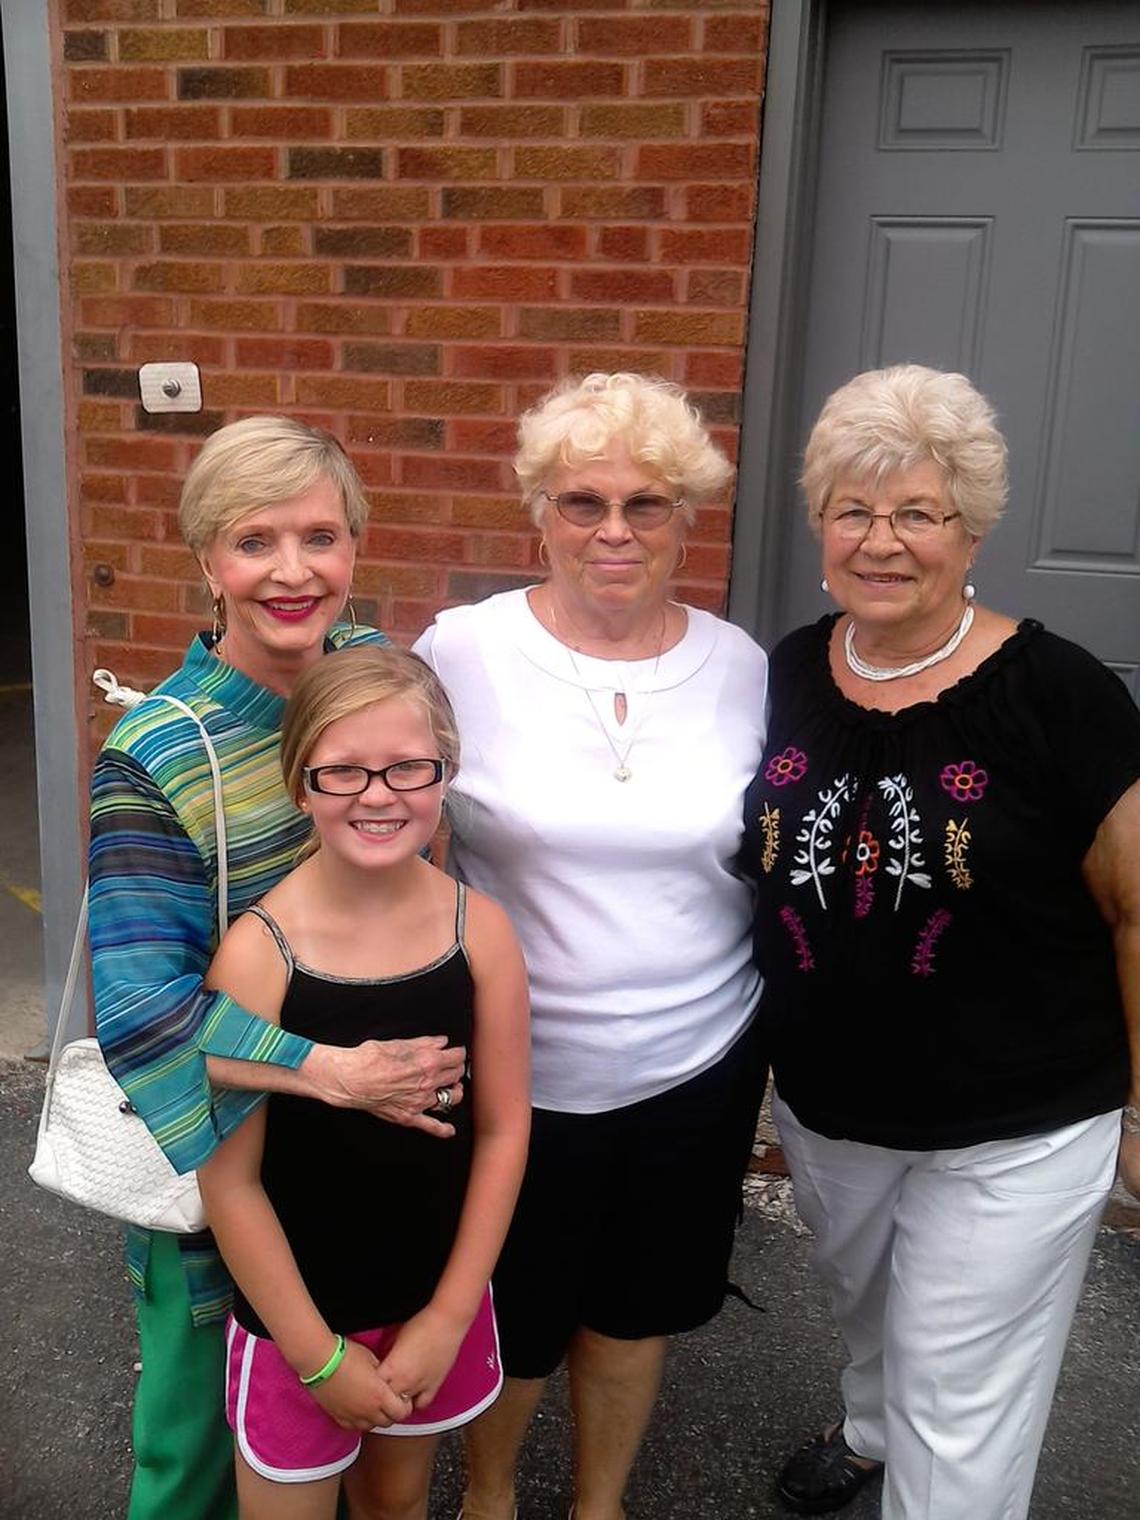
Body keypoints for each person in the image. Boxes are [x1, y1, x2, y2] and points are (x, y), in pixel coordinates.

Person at [740, 364, 1140, 1520]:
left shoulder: (1060, 694)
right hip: (827, 1102)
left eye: (917, 512)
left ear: (971, 531)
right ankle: (867, 1425)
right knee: (869, 1312)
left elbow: (1133, 906)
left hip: (1018, 1118)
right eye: (853, 510)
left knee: (961, 1404)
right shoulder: (786, 672)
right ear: (820, 523)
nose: (881, 540)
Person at [90, 417, 466, 1520]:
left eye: (321, 535)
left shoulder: (373, 678)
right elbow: (148, 1018)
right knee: (198, 1456)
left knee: (350, 1443)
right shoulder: (158, 754)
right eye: (256, 540)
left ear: (356, 544)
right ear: (206, 560)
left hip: (371, 1168)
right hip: (229, 1169)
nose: (293, 571)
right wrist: (334, 1070)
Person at [414, 371, 770, 1520]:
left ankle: (600, 1503)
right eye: (582, 501)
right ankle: (490, 1494)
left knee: (634, 1307)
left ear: (687, 516)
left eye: (646, 503)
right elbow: (394, 824)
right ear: (538, 510)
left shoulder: (745, 667)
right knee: (512, 1309)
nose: (613, 530)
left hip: (695, 1057)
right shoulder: (463, 649)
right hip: (520, 1062)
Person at [198, 645, 530, 1520]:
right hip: (296, 1325)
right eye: (343, 771)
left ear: (446, 772)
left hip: (429, 1305)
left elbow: (502, 1130)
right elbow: (228, 1181)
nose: (379, 795)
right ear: (300, 781)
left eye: (408, 767)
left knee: (397, 1503)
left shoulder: (481, 933)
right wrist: (315, 1355)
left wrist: (450, 1316)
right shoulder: (259, 956)